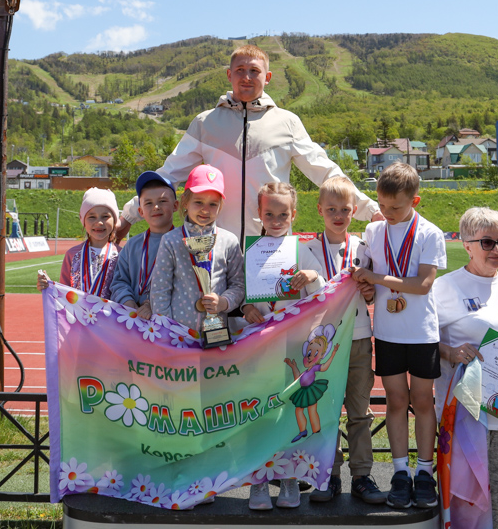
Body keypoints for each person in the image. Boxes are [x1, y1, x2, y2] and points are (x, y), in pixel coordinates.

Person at [113, 43, 380, 246]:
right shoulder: (205, 123)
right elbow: (168, 175)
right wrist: (128, 215)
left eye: (255, 71)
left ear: (268, 77)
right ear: (229, 75)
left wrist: (373, 211)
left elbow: (326, 173)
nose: (247, 77)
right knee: (214, 317)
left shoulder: (287, 123)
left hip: (271, 244)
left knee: (272, 319)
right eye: (240, 70)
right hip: (214, 244)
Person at [352, 162, 446, 511]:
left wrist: (376, 278)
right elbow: (367, 279)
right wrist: (365, 284)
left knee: (422, 402)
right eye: (382, 205)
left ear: (415, 201)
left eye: (396, 207)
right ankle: (400, 472)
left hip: (422, 333)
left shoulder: (430, 233)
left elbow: (422, 286)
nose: (387, 213)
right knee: (394, 402)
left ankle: (424, 472)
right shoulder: (374, 231)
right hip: (388, 333)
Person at [433, 207, 498, 525]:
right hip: (464, 411)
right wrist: (450, 352)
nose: (497, 249)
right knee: (464, 496)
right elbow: (420, 342)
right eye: (487, 242)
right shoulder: (445, 287)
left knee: (496, 493)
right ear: (466, 244)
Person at [308, 177, 382, 505]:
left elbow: (374, 289)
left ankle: (363, 476)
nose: (338, 215)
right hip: (322, 344)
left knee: (359, 412)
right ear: (320, 210)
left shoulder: (364, 247)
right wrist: (312, 281)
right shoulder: (306, 249)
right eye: (332, 209)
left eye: (345, 210)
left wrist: (370, 290)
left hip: (359, 339)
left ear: (354, 211)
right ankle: (329, 475)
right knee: (326, 412)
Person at [240, 182, 307, 511]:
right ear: (259, 215)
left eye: (283, 214)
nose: (277, 219)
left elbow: (319, 297)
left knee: (288, 415)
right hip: (258, 348)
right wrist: (244, 309)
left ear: (293, 214)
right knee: (258, 413)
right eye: (270, 214)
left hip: (291, 348)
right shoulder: (250, 250)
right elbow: (239, 292)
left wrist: (310, 280)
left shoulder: (302, 250)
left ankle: (290, 479)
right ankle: (258, 482)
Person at [149, 164, 246, 343]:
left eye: (212, 204)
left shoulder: (229, 241)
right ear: (185, 202)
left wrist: (224, 302)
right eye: (199, 202)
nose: (205, 209)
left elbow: (239, 285)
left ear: (220, 206)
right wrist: (169, 331)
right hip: (178, 335)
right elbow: (160, 290)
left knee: (212, 372)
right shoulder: (171, 241)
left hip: (217, 333)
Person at [109, 171, 178, 318]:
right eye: (148, 203)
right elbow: (119, 281)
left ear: (175, 205)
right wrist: (128, 302)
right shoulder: (132, 245)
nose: (156, 207)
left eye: (163, 201)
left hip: (171, 322)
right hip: (135, 319)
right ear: (140, 211)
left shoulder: (183, 243)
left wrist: (153, 303)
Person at [37, 188, 119, 295]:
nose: (99, 222)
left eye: (105, 216)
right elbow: (64, 293)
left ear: (115, 219)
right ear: (83, 220)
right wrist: (49, 286)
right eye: (92, 217)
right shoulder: (72, 254)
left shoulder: (122, 255)